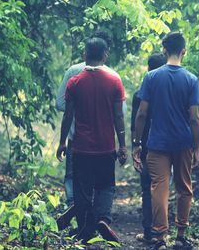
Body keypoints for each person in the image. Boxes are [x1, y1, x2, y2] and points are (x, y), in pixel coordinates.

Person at [133, 32, 199, 250]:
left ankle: (159, 238)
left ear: (164, 50)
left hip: (157, 143)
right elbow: (194, 118)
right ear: (184, 51)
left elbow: (142, 114)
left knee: (159, 189)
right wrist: (197, 148)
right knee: (184, 188)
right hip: (183, 142)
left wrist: (136, 143)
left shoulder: (152, 78)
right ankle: (181, 237)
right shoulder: (191, 79)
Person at [57, 37, 127, 243]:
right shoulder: (114, 81)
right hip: (106, 148)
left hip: (81, 148)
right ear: (105, 55)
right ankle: (103, 218)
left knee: (82, 189)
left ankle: (85, 230)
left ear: (85, 55)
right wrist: (122, 145)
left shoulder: (75, 82)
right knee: (106, 186)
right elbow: (119, 117)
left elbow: (67, 116)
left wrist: (62, 142)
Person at [131, 53, 167, 244]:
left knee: (147, 189)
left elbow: (135, 122)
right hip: (167, 145)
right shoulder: (169, 92)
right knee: (162, 188)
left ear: (147, 69)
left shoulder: (140, 94)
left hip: (146, 145)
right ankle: (160, 231)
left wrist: (134, 146)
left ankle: (148, 231)